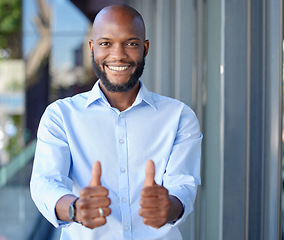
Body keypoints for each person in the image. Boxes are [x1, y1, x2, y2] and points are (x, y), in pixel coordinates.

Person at [30, 4, 202, 240]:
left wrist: (168, 206)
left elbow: (184, 186)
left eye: (131, 43)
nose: (118, 54)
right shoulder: (60, 116)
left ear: (145, 48)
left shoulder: (180, 117)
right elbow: (46, 183)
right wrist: (75, 208)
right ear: (92, 48)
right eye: (106, 43)